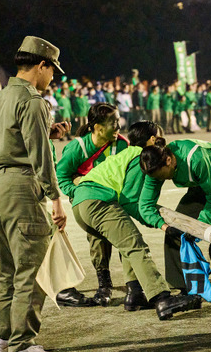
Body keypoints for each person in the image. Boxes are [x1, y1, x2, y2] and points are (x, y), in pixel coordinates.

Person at [0, 36, 70, 352]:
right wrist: (56, 199)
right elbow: (40, 157)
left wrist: (47, 133)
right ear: (41, 65)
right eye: (52, 71)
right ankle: (22, 346)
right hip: (21, 186)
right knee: (31, 268)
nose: (53, 78)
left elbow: (8, 139)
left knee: (7, 266)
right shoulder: (34, 101)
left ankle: (2, 336)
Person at [72, 121, 201, 320]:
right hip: (98, 201)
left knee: (127, 245)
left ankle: (135, 294)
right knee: (136, 246)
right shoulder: (139, 157)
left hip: (82, 203)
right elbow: (130, 200)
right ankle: (162, 298)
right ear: (151, 140)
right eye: (159, 136)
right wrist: (160, 223)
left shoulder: (127, 153)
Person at [139, 137, 211, 292]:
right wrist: (165, 227)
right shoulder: (155, 166)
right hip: (201, 185)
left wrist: (198, 228)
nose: (158, 180)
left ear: (169, 160)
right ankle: (182, 289)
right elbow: (145, 205)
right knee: (176, 232)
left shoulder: (196, 160)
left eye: (160, 176)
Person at [55, 103, 130, 307]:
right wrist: (79, 192)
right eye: (114, 123)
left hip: (115, 199)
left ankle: (134, 285)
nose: (119, 126)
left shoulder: (122, 145)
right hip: (89, 202)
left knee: (127, 237)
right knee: (98, 236)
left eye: (118, 121)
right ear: (98, 127)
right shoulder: (77, 148)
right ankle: (104, 283)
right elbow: (62, 177)